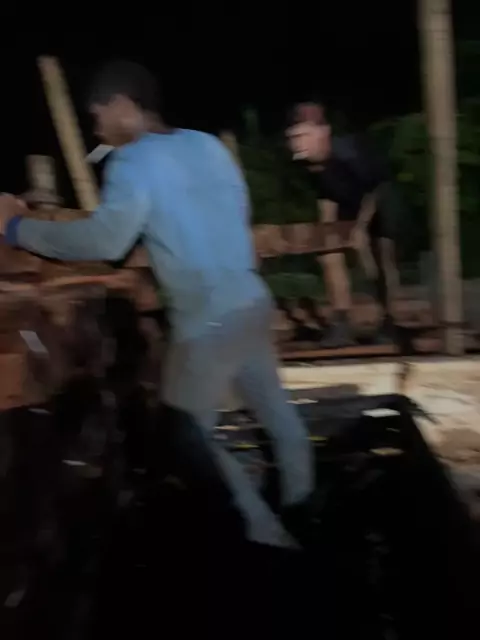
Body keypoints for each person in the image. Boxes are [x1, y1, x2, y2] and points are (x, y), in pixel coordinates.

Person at [0, 61, 313, 548]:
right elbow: (228, 212)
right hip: (251, 299)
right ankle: (305, 507)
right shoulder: (206, 146)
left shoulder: (132, 161)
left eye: (98, 116)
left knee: (186, 434)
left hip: (208, 318)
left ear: (123, 105)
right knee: (276, 411)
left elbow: (106, 240)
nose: (97, 129)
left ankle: (265, 536)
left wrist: (16, 229)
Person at [286, 101, 400, 347]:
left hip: (379, 200)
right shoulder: (306, 162)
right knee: (329, 254)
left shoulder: (348, 153)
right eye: (294, 137)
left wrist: (360, 229)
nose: (297, 142)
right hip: (347, 202)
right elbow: (325, 195)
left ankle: (388, 320)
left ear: (323, 133)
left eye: (304, 135)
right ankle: (341, 322)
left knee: (379, 259)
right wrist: (325, 233)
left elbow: (375, 189)